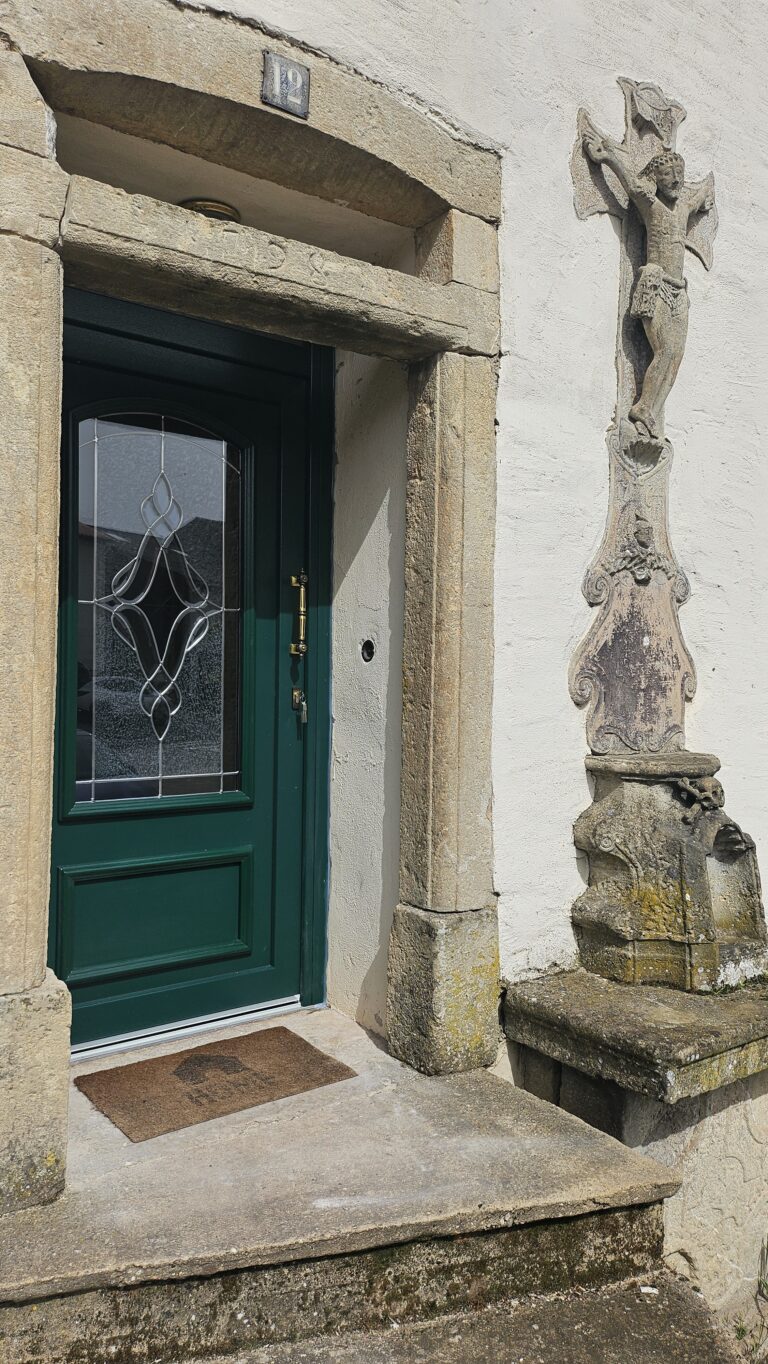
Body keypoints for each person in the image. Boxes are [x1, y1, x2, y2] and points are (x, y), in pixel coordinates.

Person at [583, 127, 713, 440]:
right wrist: (609, 156)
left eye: (679, 174)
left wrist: (708, 190)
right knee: (665, 350)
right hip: (655, 285)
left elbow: (700, 192)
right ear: (657, 177)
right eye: (669, 174)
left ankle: (649, 410)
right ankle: (642, 407)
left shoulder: (682, 209)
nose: (677, 180)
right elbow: (630, 183)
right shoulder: (651, 207)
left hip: (679, 290)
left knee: (676, 355)